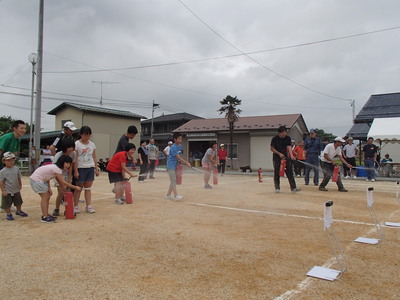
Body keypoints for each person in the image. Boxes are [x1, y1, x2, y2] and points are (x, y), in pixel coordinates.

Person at [30, 155, 82, 223]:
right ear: (61, 162)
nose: (68, 165)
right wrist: (75, 187)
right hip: (37, 180)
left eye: (69, 164)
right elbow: (63, 182)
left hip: (42, 180)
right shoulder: (56, 169)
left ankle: (46, 214)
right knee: (45, 197)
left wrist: (49, 189)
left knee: (47, 196)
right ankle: (45, 217)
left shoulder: (55, 168)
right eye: (66, 163)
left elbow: (49, 178)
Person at [73, 126, 99, 214]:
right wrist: (75, 170)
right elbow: (75, 158)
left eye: (88, 135)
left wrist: (96, 168)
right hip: (81, 167)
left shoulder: (92, 144)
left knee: (88, 187)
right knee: (79, 188)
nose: (87, 137)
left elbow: (94, 157)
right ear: (80, 134)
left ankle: (88, 206)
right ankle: (75, 206)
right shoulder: (76, 144)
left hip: (90, 167)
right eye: (85, 135)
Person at [270, 126, 301, 193]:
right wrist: (279, 154)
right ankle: (277, 187)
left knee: (289, 172)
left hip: (285, 157)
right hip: (277, 157)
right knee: (277, 172)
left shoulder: (288, 138)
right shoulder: (275, 139)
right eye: (283, 132)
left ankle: (293, 188)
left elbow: (289, 147)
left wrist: (292, 155)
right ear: (279, 132)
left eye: (285, 132)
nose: (284, 133)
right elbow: (272, 148)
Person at [52, 139, 77, 217]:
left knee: (68, 192)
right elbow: (55, 169)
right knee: (61, 192)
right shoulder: (58, 155)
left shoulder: (73, 154)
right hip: (58, 174)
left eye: (72, 147)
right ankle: (57, 208)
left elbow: (71, 166)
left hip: (66, 174)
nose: (71, 149)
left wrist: (70, 178)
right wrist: (61, 181)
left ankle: (68, 209)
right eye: (69, 147)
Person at [0, 152, 27, 221]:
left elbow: (18, 177)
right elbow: (1, 181)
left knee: (18, 201)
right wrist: (3, 190)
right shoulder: (3, 171)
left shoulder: (16, 169)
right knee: (7, 203)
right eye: (8, 160)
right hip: (7, 190)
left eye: (12, 160)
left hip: (16, 188)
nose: (11, 162)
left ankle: (19, 210)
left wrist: (20, 184)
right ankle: (8, 214)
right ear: (4, 161)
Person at [165, 132, 191, 200]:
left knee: (173, 180)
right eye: (179, 139)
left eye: (181, 139)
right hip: (170, 166)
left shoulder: (179, 146)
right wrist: (186, 163)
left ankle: (168, 195)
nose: (180, 140)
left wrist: (180, 162)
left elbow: (178, 157)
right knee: (173, 180)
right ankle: (176, 195)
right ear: (175, 139)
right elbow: (178, 157)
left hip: (175, 165)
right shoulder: (173, 147)